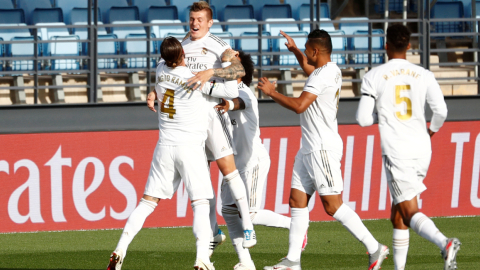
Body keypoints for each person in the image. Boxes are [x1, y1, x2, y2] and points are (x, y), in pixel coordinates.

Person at [258, 29, 389, 270]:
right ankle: (292, 261)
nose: (306, 53)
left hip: (321, 149)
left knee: (332, 205)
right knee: (297, 200)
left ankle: (375, 247)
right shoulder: (331, 70)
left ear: (316, 51)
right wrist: (296, 50)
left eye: (308, 49)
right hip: (308, 147)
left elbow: (299, 106)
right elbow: (310, 70)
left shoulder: (322, 75)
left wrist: (272, 93)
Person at [107, 38, 239, 270]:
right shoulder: (193, 78)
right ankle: (202, 260)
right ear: (182, 55)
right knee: (200, 203)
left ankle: (120, 249)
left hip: (165, 147)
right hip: (189, 147)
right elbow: (230, 88)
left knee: (147, 203)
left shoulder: (159, 70)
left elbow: (163, 76)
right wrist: (229, 61)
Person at [356, 24, 459, 270]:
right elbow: (441, 111)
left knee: (409, 210)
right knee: (398, 214)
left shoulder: (374, 76)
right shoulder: (424, 74)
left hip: (397, 150)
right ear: (410, 46)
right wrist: (431, 131)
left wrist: (380, 117)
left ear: (386, 45)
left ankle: (444, 243)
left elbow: (362, 119)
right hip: (423, 149)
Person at [182, 1, 256, 253]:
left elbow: (238, 69)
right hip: (190, 119)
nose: (194, 23)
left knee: (228, 170)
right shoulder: (182, 45)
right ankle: (213, 232)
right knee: (201, 180)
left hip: (213, 114)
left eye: (200, 19)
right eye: (192, 18)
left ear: (210, 22)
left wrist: (210, 72)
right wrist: (152, 92)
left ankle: (248, 224)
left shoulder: (219, 45)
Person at [214, 51, 295, 270]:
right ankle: (246, 263)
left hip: (253, 161)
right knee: (229, 211)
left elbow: (239, 103)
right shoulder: (224, 90)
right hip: (234, 161)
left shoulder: (244, 92)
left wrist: (228, 105)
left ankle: (295, 226)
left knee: (249, 213)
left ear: (239, 73)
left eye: (230, 67)